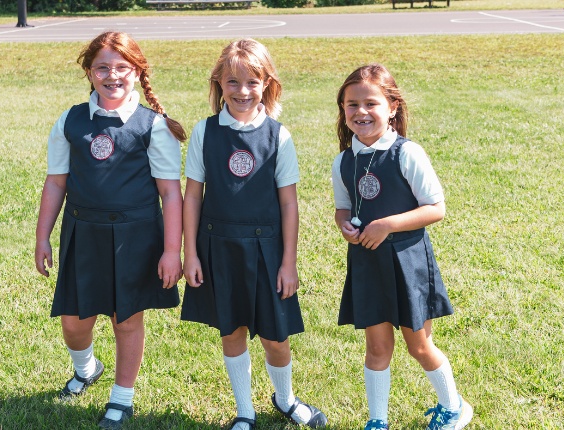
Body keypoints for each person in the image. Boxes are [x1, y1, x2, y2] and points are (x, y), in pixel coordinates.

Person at [34, 31, 186, 430]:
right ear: (89, 71)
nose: (112, 75)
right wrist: (42, 235)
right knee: (73, 321)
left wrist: (173, 250)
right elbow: (56, 182)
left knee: (126, 320)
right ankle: (87, 369)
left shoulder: (153, 126)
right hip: (83, 234)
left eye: (122, 67)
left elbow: (171, 194)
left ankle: (122, 397)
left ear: (137, 72)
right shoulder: (70, 120)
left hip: (136, 238)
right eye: (102, 67)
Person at [180, 38, 327, 430]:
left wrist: (288, 262)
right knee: (232, 331)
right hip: (218, 248)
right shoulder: (205, 132)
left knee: (276, 337)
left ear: (267, 85)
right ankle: (244, 411)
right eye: (232, 82)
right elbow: (192, 197)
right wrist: (190, 253)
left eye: (252, 82)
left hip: (266, 249)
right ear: (218, 84)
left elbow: (289, 204)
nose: (242, 91)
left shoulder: (279, 136)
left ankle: (285, 398)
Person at [331, 64, 473, 430]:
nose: (361, 112)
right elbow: (343, 206)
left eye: (371, 103)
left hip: (407, 262)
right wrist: (344, 224)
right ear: (342, 110)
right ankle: (377, 421)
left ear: (392, 107)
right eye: (351, 105)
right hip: (367, 262)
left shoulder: (406, 153)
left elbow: (436, 208)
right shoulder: (343, 160)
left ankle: (454, 406)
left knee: (419, 345)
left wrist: (387, 225)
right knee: (377, 348)